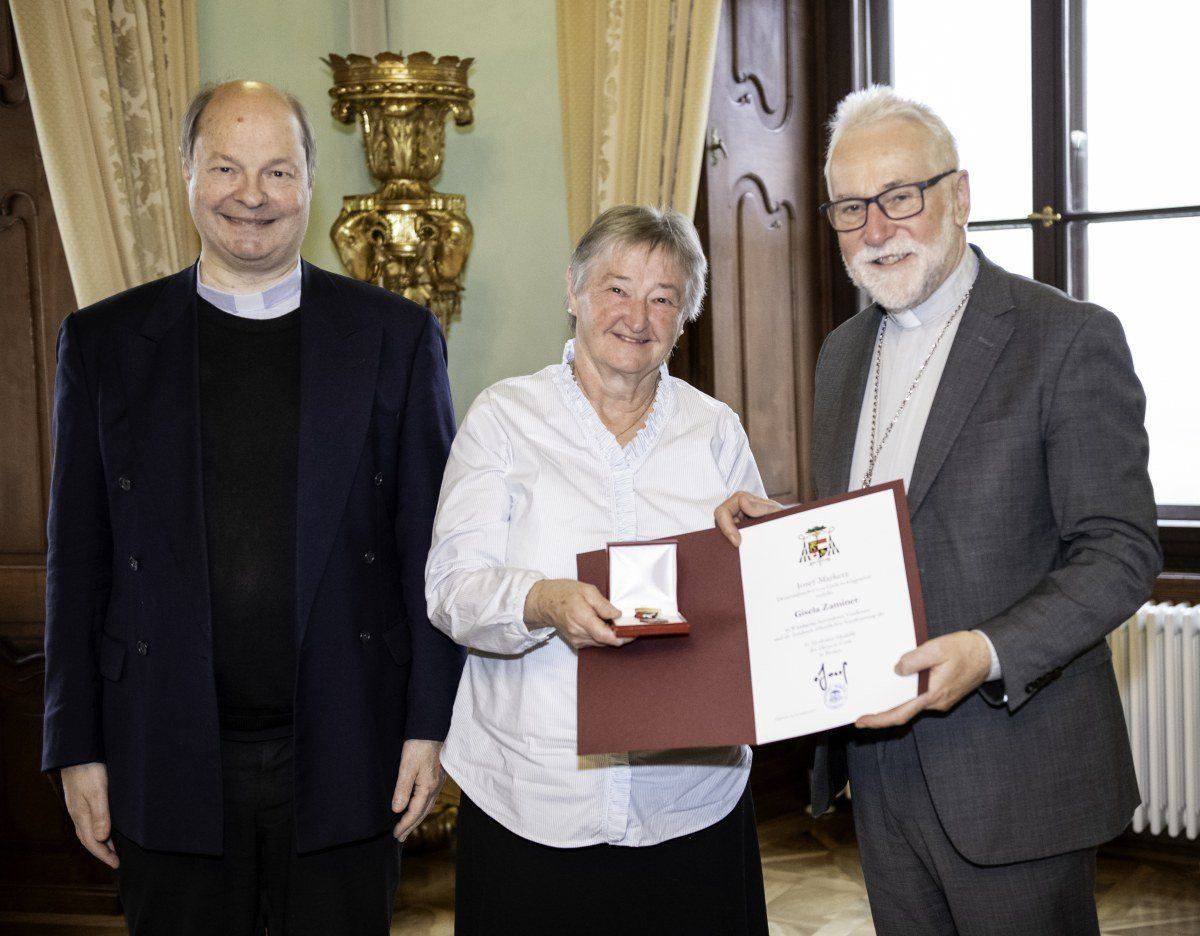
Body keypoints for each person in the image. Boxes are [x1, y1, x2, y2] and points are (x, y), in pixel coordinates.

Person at [716, 85, 1160, 935]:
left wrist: (986, 653)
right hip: (880, 766)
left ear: (959, 196)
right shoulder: (842, 353)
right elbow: (885, 517)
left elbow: (1120, 551)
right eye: (851, 208)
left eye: (899, 196)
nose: (876, 229)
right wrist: (787, 529)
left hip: (1014, 766)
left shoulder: (1065, 338)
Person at [41, 80, 463, 935]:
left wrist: (430, 726)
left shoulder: (395, 337)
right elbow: (77, 559)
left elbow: (431, 548)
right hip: (162, 747)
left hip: (349, 748)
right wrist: (76, 745)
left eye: (278, 171)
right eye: (226, 168)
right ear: (188, 174)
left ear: (310, 181)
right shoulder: (106, 343)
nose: (252, 195)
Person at [426, 205, 770, 936]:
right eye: (617, 289)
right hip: (533, 801)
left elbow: (753, 607)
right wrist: (541, 601)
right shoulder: (504, 419)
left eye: (663, 297)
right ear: (574, 292)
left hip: (689, 803)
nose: (637, 318)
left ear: (686, 317)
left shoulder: (715, 430)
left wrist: (768, 547)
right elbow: (451, 589)